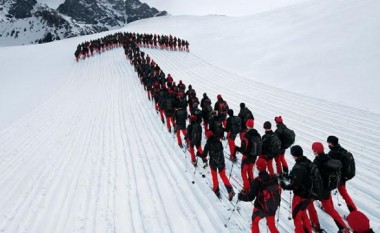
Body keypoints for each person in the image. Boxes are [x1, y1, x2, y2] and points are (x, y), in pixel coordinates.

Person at [309, 142, 350, 233]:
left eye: (313, 150)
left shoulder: (317, 162)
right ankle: (344, 228)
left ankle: (316, 225)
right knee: (330, 208)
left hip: (320, 190)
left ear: (315, 151)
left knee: (308, 203)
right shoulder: (329, 158)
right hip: (328, 188)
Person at [238, 158, 280, 233]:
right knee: (272, 226)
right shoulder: (273, 178)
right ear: (266, 166)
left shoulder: (256, 181)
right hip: (272, 207)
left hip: (260, 208)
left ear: (257, 168)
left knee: (254, 222)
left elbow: (250, 197)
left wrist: (241, 196)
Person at [280, 145, 313, 233]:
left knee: (296, 217)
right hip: (308, 194)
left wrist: (283, 185)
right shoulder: (307, 162)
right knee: (303, 215)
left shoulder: (299, 167)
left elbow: (294, 185)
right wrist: (290, 176)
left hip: (300, 196)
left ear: (294, 155)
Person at [199, 130, 235, 200]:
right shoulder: (219, 141)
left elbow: (204, 155)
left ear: (207, 136)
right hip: (221, 161)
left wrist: (198, 154)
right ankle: (230, 190)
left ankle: (216, 190)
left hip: (213, 163)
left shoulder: (208, 144)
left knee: (214, 176)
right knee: (223, 176)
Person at [327, 135, 357, 212]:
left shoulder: (332, 153)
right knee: (345, 195)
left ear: (332, 143)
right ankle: (354, 211)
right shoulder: (343, 151)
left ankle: (330, 209)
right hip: (343, 178)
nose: (328, 145)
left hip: (336, 178)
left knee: (327, 192)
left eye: (329, 143)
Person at [235, 119, 261, 193]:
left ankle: (246, 187)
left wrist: (237, 149)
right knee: (250, 171)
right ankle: (252, 185)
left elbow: (243, 149)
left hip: (246, 157)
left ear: (247, 125)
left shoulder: (246, 135)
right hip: (254, 157)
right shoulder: (258, 134)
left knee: (243, 172)